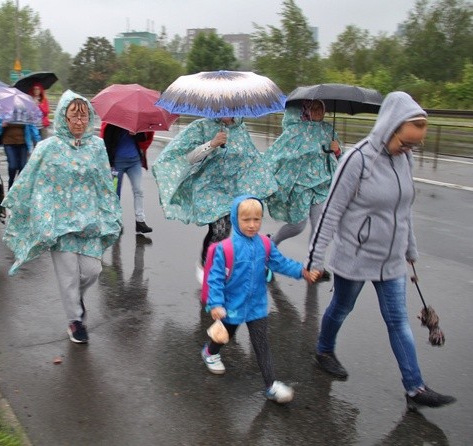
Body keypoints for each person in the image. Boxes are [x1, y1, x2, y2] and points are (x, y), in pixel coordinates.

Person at [306, 91, 456, 410]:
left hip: (392, 260)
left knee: (398, 320)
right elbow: (331, 211)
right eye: (404, 142)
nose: (408, 150)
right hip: (356, 256)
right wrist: (315, 260)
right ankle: (323, 349)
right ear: (389, 127)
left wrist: (409, 249)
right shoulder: (356, 159)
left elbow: (403, 209)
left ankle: (415, 387)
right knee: (341, 308)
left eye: (414, 145)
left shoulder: (405, 158)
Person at [2, 90, 122, 344]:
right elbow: (35, 181)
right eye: (73, 116)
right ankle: (75, 321)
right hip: (61, 223)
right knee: (68, 276)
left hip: (89, 222)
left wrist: (111, 213)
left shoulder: (97, 146)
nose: (79, 121)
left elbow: (103, 182)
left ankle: (74, 298)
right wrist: (37, 216)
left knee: (92, 271)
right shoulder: (49, 148)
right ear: (63, 118)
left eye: (83, 116)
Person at [202, 195, 316, 403]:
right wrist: (216, 304)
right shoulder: (225, 248)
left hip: (257, 305)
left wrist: (302, 271)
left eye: (257, 219)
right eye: (246, 220)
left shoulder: (265, 244)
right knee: (224, 335)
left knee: (261, 344)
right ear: (236, 219)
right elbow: (215, 279)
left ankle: (271, 385)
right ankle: (210, 352)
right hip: (232, 305)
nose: (252, 225)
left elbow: (280, 263)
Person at [152, 116, 277, 283]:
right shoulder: (201, 126)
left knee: (230, 231)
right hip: (209, 188)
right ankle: (206, 265)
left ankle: (232, 265)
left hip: (234, 189)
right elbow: (188, 158)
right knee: (219, 229)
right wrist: (211, 144)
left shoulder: (240, 128)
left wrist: (265, 182)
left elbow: (251, 158)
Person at [264, 100, 342, 281]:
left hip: (321, 187)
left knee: (319, 227)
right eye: (313, 108)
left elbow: (341, 155)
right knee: (297, 226)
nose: (317, 112)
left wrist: (336, 151)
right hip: (300, 188)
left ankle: (314, 267)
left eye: (321, 109)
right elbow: (279, 153)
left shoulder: (328, 130)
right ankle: (271, 243)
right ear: (306, 110)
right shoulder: (295, 130)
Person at [101, 122, 154, 234]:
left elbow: (144, 139)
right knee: (115, 194)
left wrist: (136, 133)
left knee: (139, 190)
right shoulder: (112, 123)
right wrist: (109, 163)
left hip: (134, 162)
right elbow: (106, 141)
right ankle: (115, 221)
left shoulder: (137, 122)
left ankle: (140, 221)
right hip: (116, 163)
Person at [0, 118, 40, 189]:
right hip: (8, 143)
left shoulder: (25, 113)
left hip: (23, 144)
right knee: (13, 166)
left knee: (22, 167)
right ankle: (11, 184)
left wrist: (38, 141)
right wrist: (1, 125)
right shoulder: (5, 113)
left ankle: (19, 187)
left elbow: (32, 127)